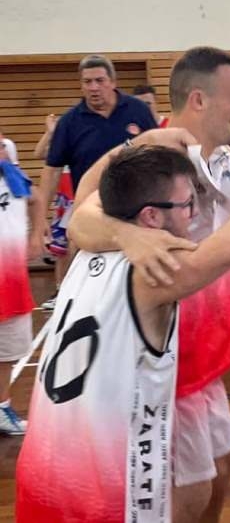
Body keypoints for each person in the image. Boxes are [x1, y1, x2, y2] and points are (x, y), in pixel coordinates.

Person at [16, 139, 230, 522]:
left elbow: (88, 192)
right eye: (188, 204)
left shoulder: (91, 247)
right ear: (151, 217)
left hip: (41, 478)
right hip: (101, 502)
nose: (195, 214)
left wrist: (134, 145)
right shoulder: (152, 272)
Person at [68, 46, 230, 522]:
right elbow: (81, 214)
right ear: (199, 100)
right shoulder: (155, 157)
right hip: (166, 357)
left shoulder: (218, 157)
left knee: (224, 463)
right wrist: (127, 233)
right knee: (190, 486)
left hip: (207, 349)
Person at [36, 55, 157, 307]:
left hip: (138, 208)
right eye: (87, 82)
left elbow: (160, 154)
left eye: (99, 80)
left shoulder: (138, 111)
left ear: (112, 82)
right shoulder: (69, 123)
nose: (93, 87)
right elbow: (52, 169)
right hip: (92, 211)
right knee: (91, 280)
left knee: (140, 279)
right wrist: (40, 218)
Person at [0, 137, 45, 435]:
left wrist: (37, 234)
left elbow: (38, 198)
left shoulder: (11, 175)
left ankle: (2, 408)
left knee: (8, 352)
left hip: (11, 281)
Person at [32, 114, 74, 308]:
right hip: (65, 200)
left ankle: (77, 291)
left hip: (81, 195)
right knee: (61, 250)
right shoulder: (61, 145)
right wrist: (50, 132)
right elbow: (39, 153)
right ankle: (60, 290)